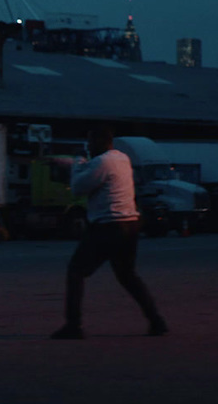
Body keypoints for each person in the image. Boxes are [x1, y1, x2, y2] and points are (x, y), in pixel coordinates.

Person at [51, 126, 168, 340]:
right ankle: (156, 321)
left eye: (89, 143)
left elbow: (78, 188)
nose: (88, 148)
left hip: (107, 225)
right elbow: (96, 175)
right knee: (128, 276)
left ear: (97, 142)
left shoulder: (101, 162)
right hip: (130, 224)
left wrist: (77, 164)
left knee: (76, 271)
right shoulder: (122, 159)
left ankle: (73, 325)